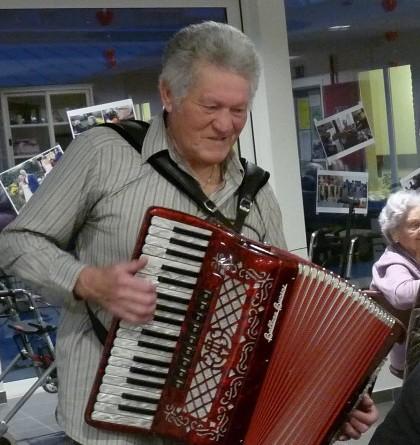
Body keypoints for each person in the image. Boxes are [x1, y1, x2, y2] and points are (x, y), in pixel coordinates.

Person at [0, 21, 377, 445]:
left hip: (216, 430)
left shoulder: (257, 192)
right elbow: (16, 242)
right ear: (168, 94)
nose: (225, 125)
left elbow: (285, 314)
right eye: (211, 106)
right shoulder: (103, 154)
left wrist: (332, 401)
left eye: (238, 110)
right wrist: (86, 281)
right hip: (109, 426)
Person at [371, 189, 420, 378]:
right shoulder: (391, 262)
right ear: (395, 233)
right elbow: (402, 294)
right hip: (412, 353)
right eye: (415, 225)